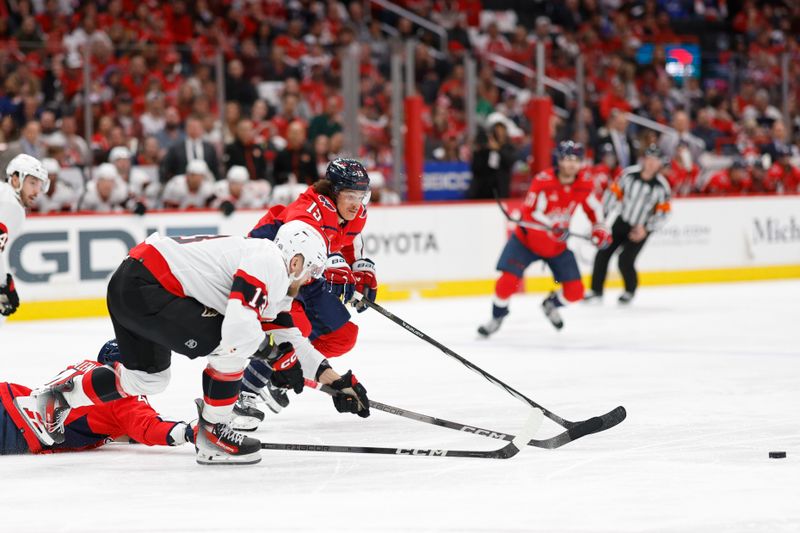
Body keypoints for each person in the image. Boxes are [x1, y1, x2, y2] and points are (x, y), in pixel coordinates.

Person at [29, 221, 370, 466]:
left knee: (148, 379)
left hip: (132, 282)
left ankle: (59, 396)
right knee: (229, 342)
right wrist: (274, 357)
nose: (311, 279)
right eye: (311, 270)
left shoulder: (276, 285)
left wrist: (335, 383)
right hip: (147, 285)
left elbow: (292, 342)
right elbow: (239, 328)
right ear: (295, 261)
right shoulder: (269, 262)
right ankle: (214, 433)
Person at [236, 158, 376, 424]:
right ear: (333, 191)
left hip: (308, 278)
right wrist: (332, 261)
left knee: (343, 337)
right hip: (279, 274)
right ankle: (246, 391)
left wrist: (359, 268)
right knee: (294, 329)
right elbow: (298, 236)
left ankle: (284, 373)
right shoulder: (309, 206)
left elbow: (349, 239)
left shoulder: (356, 212)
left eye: (361, 195)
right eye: (349, 194)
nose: (356, 202)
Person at [477, 141, 611, 336]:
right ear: (560, 160)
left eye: (576, 160)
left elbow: (595, 209)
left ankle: (550, 304)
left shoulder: (584, 183)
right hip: (526, 242)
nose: (572, 164)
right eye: (567, 159)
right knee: (506, 282)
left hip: (556, 246)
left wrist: (600, 229)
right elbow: (529, 212)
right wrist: (551, 225)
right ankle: (497, 316)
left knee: (575, 292)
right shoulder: (543, 180)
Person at [1, 340, 194, 455]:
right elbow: (149, 429)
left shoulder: (84, 366)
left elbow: (94, 420)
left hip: (8, 396)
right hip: (14, 428)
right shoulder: (123, 397)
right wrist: (188, 432)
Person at [585, 145, 672, 305]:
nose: (652, 163)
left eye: (656, 160)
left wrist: (646, 229)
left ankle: (629, 291)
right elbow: (612, 194)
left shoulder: (662, 186)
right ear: (644, 160)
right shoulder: (628, 175)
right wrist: (602, 220)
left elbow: (664, 214)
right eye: (649, 159)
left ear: (660, 164)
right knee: (603, 252)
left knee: (625, 259)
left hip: (641, 228)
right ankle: (596, 291)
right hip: (622, 221)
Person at [1, 154, 48, 319]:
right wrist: (2, 285)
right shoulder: (11, 206)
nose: (37, 191)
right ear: (15, 179)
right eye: (32, 183)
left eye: (39, 184)